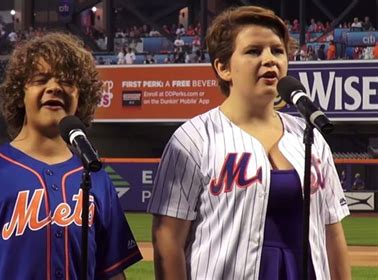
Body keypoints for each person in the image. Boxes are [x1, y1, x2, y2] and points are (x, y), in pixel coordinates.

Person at [148, 6, 351, 280]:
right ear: (223, 68)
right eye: (253, 51)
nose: (269, 60)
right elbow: (168, 239)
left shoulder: (310, 136)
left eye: (277, 51)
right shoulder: (193, 138)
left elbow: (332, 233)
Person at [0, 33, 142, 279]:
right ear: (20, 93)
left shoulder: (95, 176)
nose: (54, 87)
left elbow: (112, 272)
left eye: (67, 81)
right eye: (41, 80)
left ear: (81, 96)